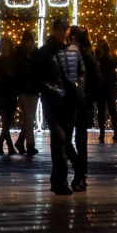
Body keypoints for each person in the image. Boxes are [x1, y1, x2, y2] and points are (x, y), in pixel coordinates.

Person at [33, 18, 86, 194]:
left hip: (70, 102)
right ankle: (60, 181)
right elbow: (35, 76)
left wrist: (78, 85)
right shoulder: (44, 53)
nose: (64, 32)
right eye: (61, 29)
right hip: (53, 102)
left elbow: (82, 72)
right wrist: (50, 89)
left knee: (64, 141)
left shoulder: (74, 51)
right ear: (54, 30)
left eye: (66, 28)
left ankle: (62, 179)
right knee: (60, 140)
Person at [70, 26, 100, 188]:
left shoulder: (85, 55)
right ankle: (80, 170)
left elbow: (97, 79)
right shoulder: (70, 53)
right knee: (71, 139)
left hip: (80, 103)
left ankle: (80, 173)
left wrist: (85, 95)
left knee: (79, 140)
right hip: (72, 102)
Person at [12, 30, 39, 156]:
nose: (28, 45)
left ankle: (20, 141)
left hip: (30, 88)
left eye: (30, 43)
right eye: (27, 43)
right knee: (29, 116)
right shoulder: (23, 54)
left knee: (29, 117)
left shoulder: (22, 54)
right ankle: (30, 145)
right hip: (25, 88)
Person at [0, 36, 18, 154]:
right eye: (3, 44)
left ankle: (1, 142)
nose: (5, 47)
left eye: (7, 44)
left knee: (8, 120)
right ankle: (10, 146)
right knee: (5, 119)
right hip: (2, 91)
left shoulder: (14, 59)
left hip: (11, 90)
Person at [96, 39, 117, 142]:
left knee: (108, 110)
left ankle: (110, 133)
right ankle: (106, 133)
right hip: (104, 86)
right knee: (106, 110)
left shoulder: (105, 57)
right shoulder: (99, 57)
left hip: (107, 86)